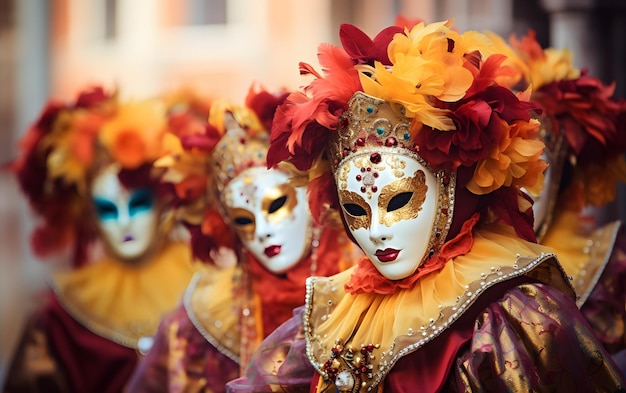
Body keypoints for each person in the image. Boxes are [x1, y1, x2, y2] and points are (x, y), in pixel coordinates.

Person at [226, 20, 625, 392]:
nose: (377, 229)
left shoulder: (510, 317)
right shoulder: (327, 318)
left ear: (451, 189)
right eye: (357, 210)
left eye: (398, 200)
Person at [126, 85, 357, 392]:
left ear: (310, 195)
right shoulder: (200, 321)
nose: (262, 231)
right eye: (244, 220)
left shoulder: (366, 291)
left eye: (275, 206)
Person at [3, 87, 198, 393]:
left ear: (163, 204)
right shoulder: (61, 317)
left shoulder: (208, 294)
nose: (123, 222)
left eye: (138, 204)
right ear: (91, 218)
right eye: (107, 210)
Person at [502, 30, 626, 375]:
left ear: (560, 181)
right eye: (501, 181)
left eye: (535, 180)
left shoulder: (607, 273)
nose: (517, 202)